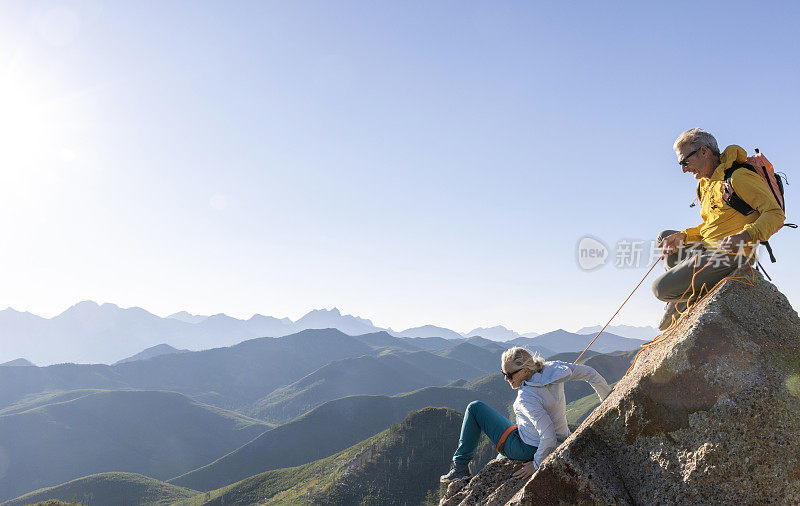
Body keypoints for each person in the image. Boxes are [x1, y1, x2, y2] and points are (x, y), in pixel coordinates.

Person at [652, 128, 786, 330]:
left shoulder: (738, 177)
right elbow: (710, 225)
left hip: (732, 253)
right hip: (709, 249)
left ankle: (682, 299)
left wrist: (746, 235)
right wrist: (685, 236)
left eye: (684, 162)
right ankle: (686, 296)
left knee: (659, 289)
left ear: (704, 151)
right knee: (666, 236)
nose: (683, 169)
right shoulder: (706, 184)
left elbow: (775, 214)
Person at [439, 346, 611, 482]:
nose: (506, 379)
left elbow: (548, 435)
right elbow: (590, 373)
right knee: (502, 448)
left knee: (475, 408)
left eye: (509, 374)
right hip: (561, 436)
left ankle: (460, 467)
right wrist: (608, 399)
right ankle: (499, 459)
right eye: (503, 374)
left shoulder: (527, 397)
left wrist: (536, 464)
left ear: (525, 371)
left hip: (527, 448)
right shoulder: (553, 370)